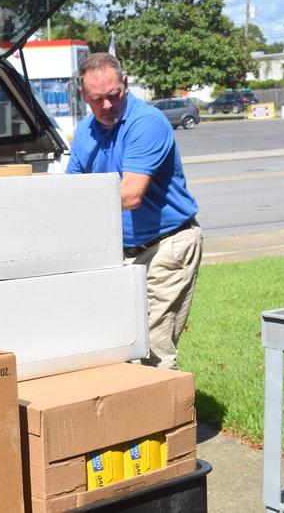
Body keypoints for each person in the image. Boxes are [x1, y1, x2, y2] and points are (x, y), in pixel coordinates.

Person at [67, 52, 202, 370]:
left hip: (166, 246)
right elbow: (71, 192)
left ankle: (164, 401)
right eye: (97, 99)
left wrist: (72, 206)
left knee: (152, 350)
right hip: (120, 252)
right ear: (83, 95)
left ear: (125, 84)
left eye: (114, 95)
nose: (108, 105)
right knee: (117, 344)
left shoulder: (147, 123)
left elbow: (130, 195)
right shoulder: (85, 132)